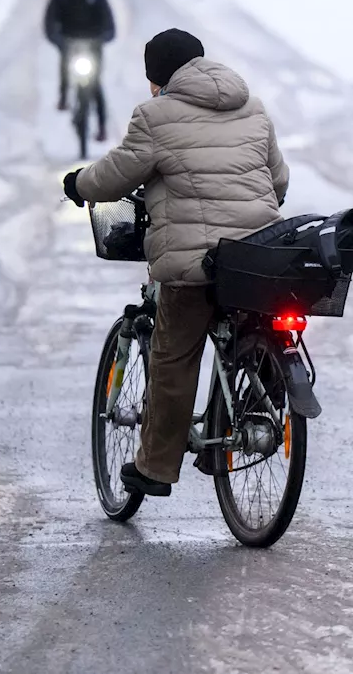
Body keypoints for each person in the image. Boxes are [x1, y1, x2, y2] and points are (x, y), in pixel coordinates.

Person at [62, 29, 290, 497]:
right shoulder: (252, 105)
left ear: (157, 78)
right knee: (252, 323)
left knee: (173, 355)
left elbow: (116, 174)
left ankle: (155, 468)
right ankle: (254, 411)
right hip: (258, 256)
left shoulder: (154, 116)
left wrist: (78, 184)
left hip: (197, 263)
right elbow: (279, 179)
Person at [44, 0, 116, 141]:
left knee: (95, 85)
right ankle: (63, 97)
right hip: (70, 43)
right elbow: (50, 21)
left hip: (93, 44)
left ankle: (101, 127)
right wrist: (57, 39)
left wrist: (105, 36)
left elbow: (108, 20)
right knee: (65, 69)